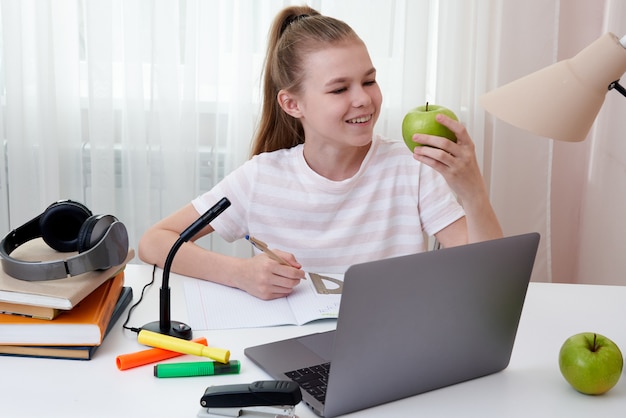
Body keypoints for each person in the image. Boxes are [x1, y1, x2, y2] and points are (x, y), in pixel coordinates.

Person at [138, 5, 503, 300]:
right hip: (289, 347)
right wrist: (240, 274)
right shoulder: (260, 178)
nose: (363, 99)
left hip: (390, 345)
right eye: (339, 88)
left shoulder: (411, 169)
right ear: (292, 103)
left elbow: (491, 277)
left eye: (369, 80)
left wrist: (473, 189)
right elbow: (155, 241)